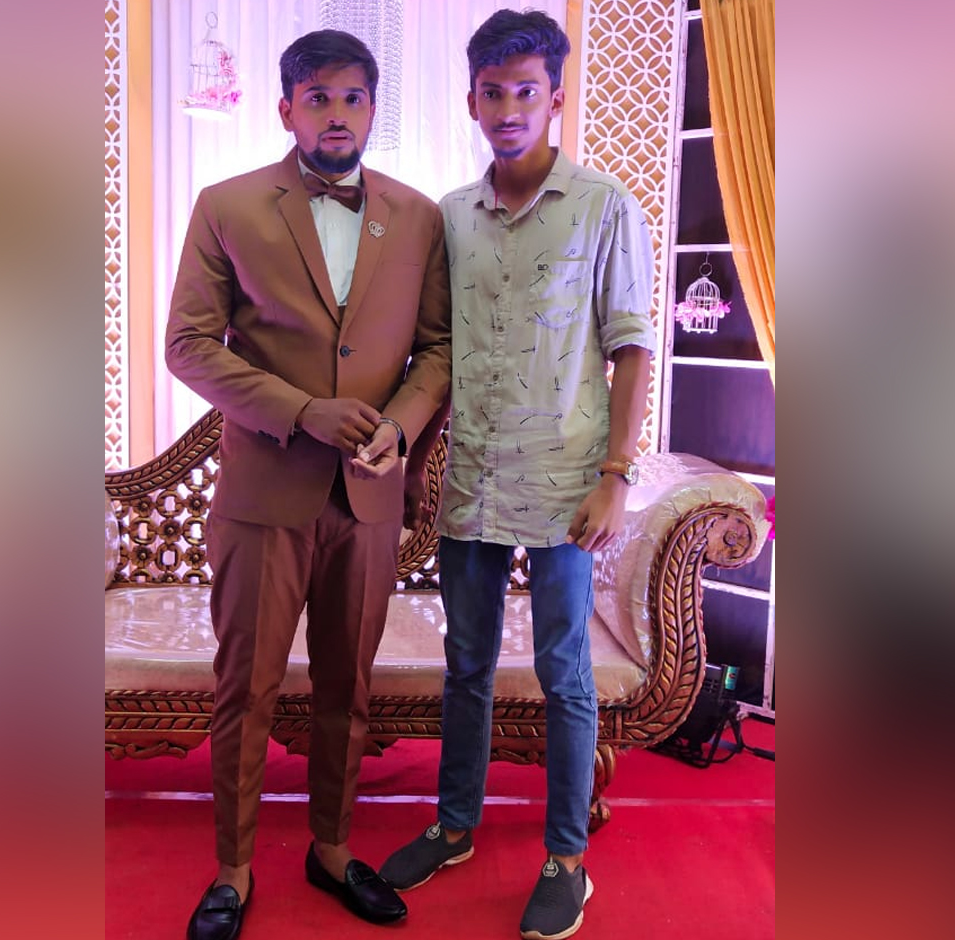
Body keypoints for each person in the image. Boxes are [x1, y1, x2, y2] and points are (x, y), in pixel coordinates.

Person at [164, 29, 452, 940]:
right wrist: (299, 411)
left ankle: (331, 849)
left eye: (353, 97)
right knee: (245, 689)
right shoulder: (227, 205)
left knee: (348, 688)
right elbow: (188, 344)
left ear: (373, 109)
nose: (336, 115)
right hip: (263, 494)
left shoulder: (419, 218)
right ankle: (233, 869)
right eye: (318, 98)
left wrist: (399, 426)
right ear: (286, 108)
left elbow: (438, 350)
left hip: (368, 498)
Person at [379, 10, 656, 940]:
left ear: (554, 98)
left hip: (567, 485)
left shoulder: (605, 206)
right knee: (465, 662)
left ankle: (567, 859)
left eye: (525, 92)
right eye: (493, 93)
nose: (508, 108)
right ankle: (455, 824)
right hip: (473, 482)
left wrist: (616, 474)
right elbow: (439, 349)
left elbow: (631, 348)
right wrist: (418, 460)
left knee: (562, 669)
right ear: (471, 101)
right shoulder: (452, 215)